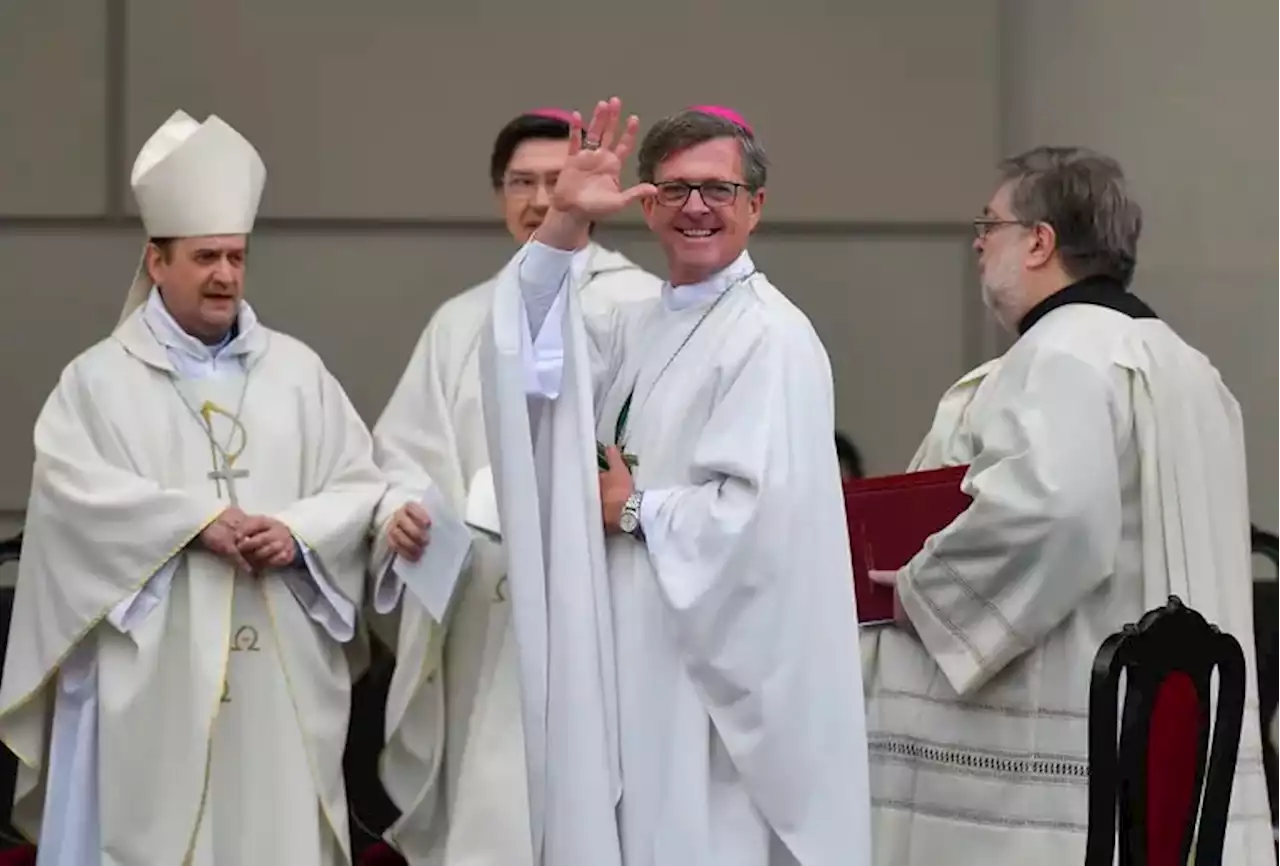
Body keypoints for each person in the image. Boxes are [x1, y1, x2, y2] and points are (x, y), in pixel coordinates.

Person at [480, 97, 871, 865]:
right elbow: (530, 368)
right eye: (675, 190)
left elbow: (764, 524)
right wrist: (561, 225)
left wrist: (636, 509)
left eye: (717, 190)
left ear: (755, 206)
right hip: (638, 652)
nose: (696, 208)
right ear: (647, 204)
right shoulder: (637, 322)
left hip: (714, 689)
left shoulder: (772, 336)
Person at [862, 147, 1275, 864]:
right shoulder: (1187, 366)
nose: (978, 242)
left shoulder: (1062, 355)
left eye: (989, 223)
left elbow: (1055, 515)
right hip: (1168, 754)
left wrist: (921, 589)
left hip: (1055, 772)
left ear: (1040, 241)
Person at [0, 110, 386, 865]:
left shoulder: (298, 373)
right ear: (156, 261)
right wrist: (193, 521)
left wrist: (299, 532)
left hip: (276, 667)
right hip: (152, 672)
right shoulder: (97, 381)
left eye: (237, 258)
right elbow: (70, 501)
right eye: (206, 256)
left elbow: (357, 483)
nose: (226, 276)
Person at [368, 108, 661, 863]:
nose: (538, 198)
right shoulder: (461, 320)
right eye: (520, 182)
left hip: (595, 600)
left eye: (554, 180)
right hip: (486, 609)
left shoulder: (640, 306)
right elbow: (405, 450)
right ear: (498, 192)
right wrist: (402, 512)